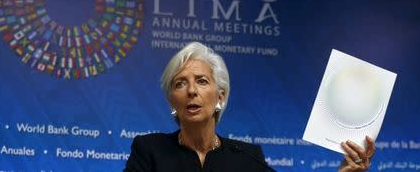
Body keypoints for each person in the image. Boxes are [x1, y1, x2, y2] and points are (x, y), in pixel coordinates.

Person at [124, 42, 375, 172]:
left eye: (202, 81)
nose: (191, 91)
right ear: (172, 100)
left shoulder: (248, 157)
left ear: (220, 97)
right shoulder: (149, 150)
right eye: (180, 83)